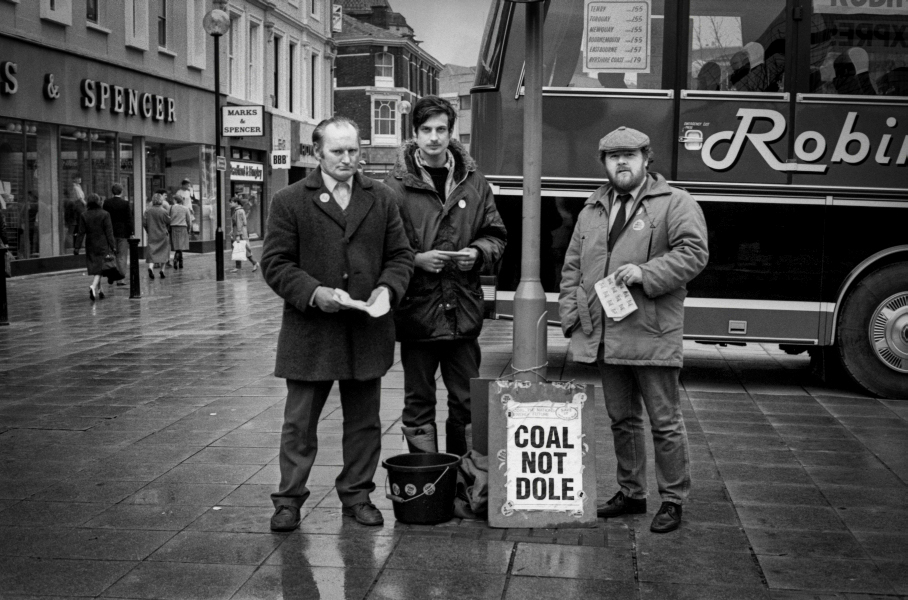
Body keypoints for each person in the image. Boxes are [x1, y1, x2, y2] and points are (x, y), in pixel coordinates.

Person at [260, 116, 413, 532]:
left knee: (364, 421)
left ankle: (358, 496)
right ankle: (289, 499)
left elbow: (400, 256)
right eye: (338, 152)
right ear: (317, 153)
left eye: (353, 151)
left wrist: (387, 290)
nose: (348, 159)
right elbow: (274, 262)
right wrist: (313, 293)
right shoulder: (290, 200)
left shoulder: (381, 198)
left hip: (366, 330)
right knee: (299, 422)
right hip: (311, 331)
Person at [558, 126, 709, 534]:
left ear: (646, 159)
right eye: (613, 156)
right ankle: (632, 492)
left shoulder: (675, 202)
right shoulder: (592, 209)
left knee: (665, 421)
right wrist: (571, 314)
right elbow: (573, 267)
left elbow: (694, 254)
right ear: (604, 163)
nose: (621, 162)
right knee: (621, 420)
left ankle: (673, 500)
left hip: (652, 331)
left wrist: (645, 272)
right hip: (606, 334)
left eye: (630, 155)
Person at [383, 95, 507, 456]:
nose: (434, 137)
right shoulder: (393, 186)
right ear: (415, 134)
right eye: (426, 130)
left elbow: (497, 235)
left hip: (463, 313)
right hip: (417, 312)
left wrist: (478, 253)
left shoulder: (474, 181)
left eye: (441, 129)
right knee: (418, 400)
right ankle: (426, 485)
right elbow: (383, 247)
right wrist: (416, 259)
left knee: (467, 400)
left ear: (452, 133)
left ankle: (466, 481)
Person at [74, 193, 116, 301]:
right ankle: (93, 286)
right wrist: (113, 246)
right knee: (100, 268)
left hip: (90, 244)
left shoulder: (84, 215)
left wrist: (77, 247)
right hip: (102, 244)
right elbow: (109, 232)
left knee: (97, 266)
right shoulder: (105, 214)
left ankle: (100, 290)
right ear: (99, 202)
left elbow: (81, 232)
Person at [103, 183, 133, 286]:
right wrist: (131, 232)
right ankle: (121, 278)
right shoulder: (125, 204)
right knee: (122, 255)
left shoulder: (106, 203)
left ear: (112, 192)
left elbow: (104, 218)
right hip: (123, 233)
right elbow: (129, 219)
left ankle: (111, 275)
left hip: (110, 232)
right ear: (122, 191)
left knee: (111, 255)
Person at [143, 193, 171, 279]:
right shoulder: (164, 211)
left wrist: (148, 231)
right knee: (164, 252)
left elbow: (144, 223)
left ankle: (150, 268)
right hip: (162, 234)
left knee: (152, 252)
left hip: (152, 234)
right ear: (161, 200)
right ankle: (162, 271)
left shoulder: (147, 211)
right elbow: (169, 221)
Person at [229, 196, 258, 273]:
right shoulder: (239, 210)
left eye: (231, 202)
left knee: (244, 249)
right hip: (241, 233)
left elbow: (239, 223)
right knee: (239, 249)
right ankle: (238, 266)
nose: (230, 204)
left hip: (240, 234)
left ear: (236, 202)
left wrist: (238, 235)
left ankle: (254, 263)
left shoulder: (238, 211)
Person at [169, 194, 193, 270]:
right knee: (181, 245)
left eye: (174, 199)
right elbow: (189, 221)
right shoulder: (186, 209)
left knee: (177, 246)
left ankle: (179, 261)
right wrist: (189, 229)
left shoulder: (171, 208)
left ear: (175, 200)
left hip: (173, 228)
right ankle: (177, 260)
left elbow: (168, 218)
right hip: (183, 228)